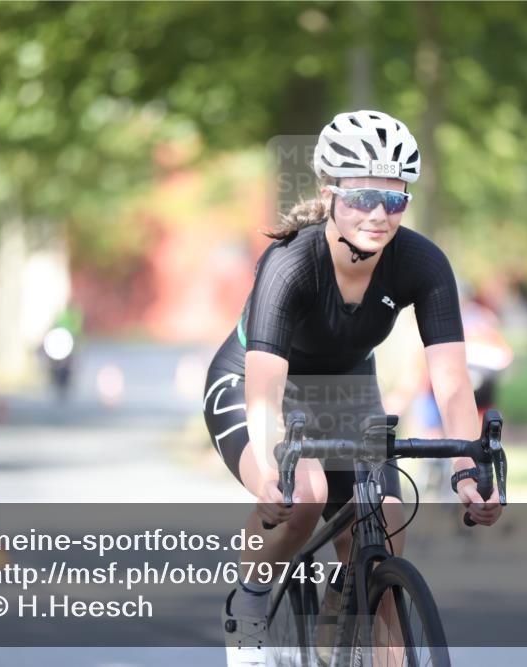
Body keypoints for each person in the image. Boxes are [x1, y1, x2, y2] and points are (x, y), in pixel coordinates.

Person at [202, 110, 502, 667]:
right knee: (304, 493)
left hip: (346, 389)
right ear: (330, 194)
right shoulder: (291, 263)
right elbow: (266, 393)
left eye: (395, 199)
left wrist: (467, 469)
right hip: (259, 381)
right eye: (364, 197)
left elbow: (451, 380)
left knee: (384, 526)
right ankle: (249, 600)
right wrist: (272, 474)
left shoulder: (423, 263)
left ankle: (350, 603)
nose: (379, 215)